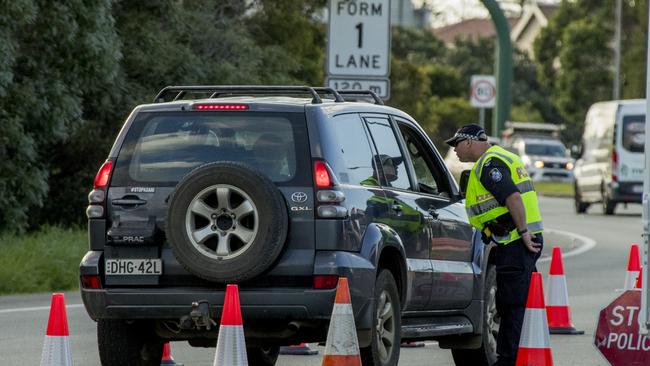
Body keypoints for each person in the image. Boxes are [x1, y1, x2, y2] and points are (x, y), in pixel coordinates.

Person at [445, 124, 543, 366]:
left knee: (512, 305)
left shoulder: (489, 164)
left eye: (456, 144)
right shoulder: (503, 156)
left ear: (468, 142)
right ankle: (521, 354)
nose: (455, 150)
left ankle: (509, 360)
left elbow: (513, 197)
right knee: (518, 301)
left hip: (516, 242)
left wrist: (523, 232)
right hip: (514, 241)